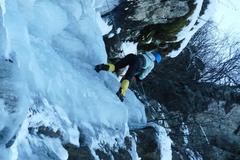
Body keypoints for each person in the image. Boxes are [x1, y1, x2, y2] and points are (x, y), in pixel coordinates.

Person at [95, 51, 164, 101]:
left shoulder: (146, 53)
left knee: (116, 66)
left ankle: (102, 66)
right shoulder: (152, 64)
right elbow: (145, 73)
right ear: (156, 60)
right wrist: (139, 79)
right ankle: (121, 93)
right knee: (128, 78)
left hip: (132, 56)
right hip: (137, 63)